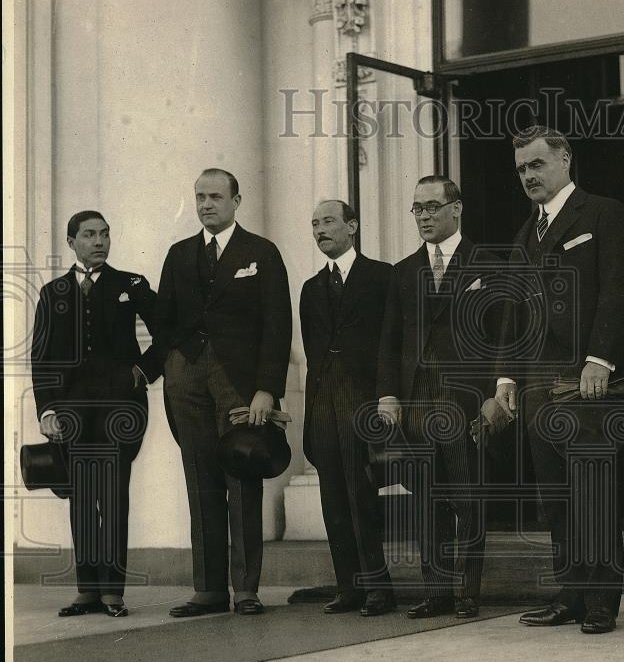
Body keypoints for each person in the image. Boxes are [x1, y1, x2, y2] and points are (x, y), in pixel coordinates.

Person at [493, 125, 624, 635]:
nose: (528, 176)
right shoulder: (524, 234)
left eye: (536, 164)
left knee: (592, 490)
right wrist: (506, 379)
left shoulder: (603, 213)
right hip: (537, 384)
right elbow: (514, 312)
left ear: (565, 161)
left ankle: (602, 599)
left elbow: (620, 292)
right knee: (555, 494)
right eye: (521, 170)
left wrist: (601, 359)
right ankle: (571, 592)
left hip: (586, 379)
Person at [155, 168, 292, 617]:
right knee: (200, 479)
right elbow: (163, 318)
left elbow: (277, 325)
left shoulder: (262, 252)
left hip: (239, 381)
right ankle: (209, 589)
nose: (206, 204)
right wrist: (173, 366)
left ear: (237, 200)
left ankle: (246, 589)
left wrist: (267, 390)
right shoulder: (178, 255)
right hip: (186, 377)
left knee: (242, 475)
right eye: (199, 197)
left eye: (215, 196)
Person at [378, 176, 497, 620]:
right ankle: (436, 591)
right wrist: (388, 395)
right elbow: (389, 340)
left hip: (464, 399)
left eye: (432, 206)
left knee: (467, 497)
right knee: (425, 499)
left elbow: (500, 337)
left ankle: (467, 592)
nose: (424, 216)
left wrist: (492, 396)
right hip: (416, 401)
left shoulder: (486, 262)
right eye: (417, 209)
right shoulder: (404, 271)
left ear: (456, 208)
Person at [31, 210, 160, 618]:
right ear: (72, 241)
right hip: (72, 414)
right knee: (83, 499)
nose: (100, 241)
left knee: (113, 495)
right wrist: (47, 409)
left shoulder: (131, 284)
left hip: (121, 410)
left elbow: (170, 329)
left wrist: (143, 370)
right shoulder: (53, 292)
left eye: (105, 234)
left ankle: (113, 593)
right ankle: (87, 590)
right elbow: (42, 356)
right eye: (89, 235)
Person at [300, 200, 395, 616]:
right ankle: (349, 587)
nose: (320, 230)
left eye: (329, 222)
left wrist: (384, 396)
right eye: (315, 224)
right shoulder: (310, 288)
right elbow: (312, 354)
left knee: (360, 493)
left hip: (362, 398)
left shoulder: (381, 276)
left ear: (352, 226)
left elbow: (391, 343)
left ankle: (378, 586)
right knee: (332, 496)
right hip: (323, 402)